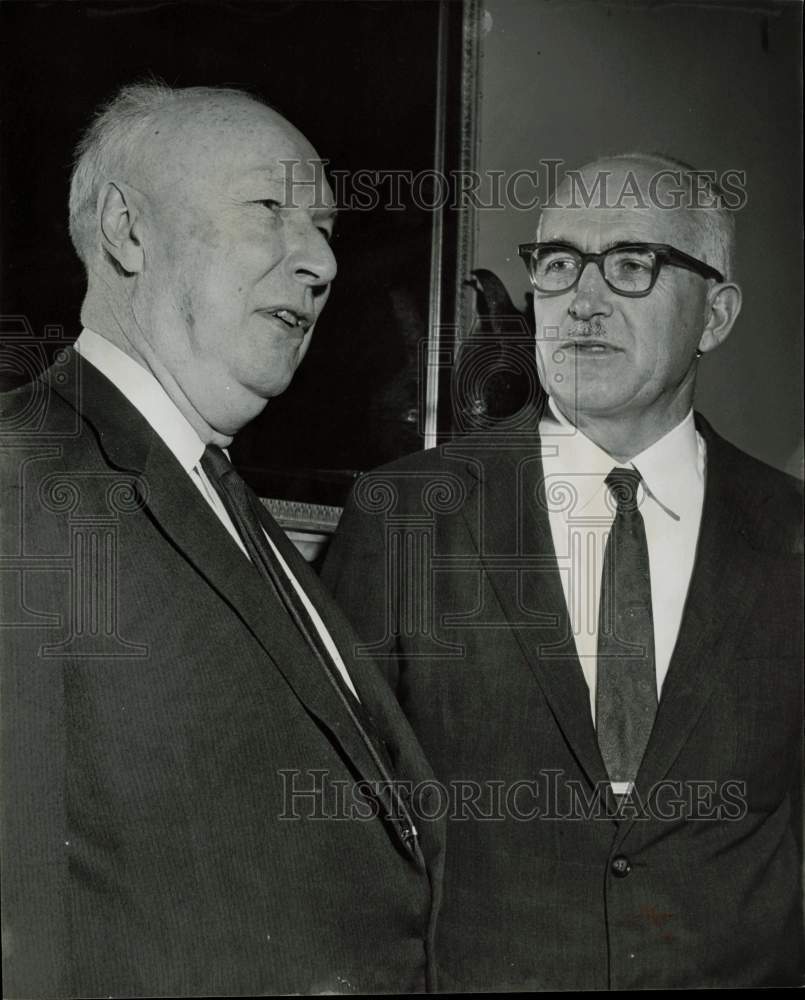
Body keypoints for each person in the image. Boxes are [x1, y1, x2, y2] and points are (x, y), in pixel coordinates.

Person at [0, 83, 444, 998]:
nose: (319, 259)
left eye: (324, 227)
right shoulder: (24, 478)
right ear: (128, 230)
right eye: (271, 208)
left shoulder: (221, 496)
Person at [323, 154, 803, 990]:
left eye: (630, 264)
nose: (582, 299)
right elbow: (340, 825)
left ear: (715, 314)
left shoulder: (788, 532)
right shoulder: (406, 514)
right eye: (556, 265)